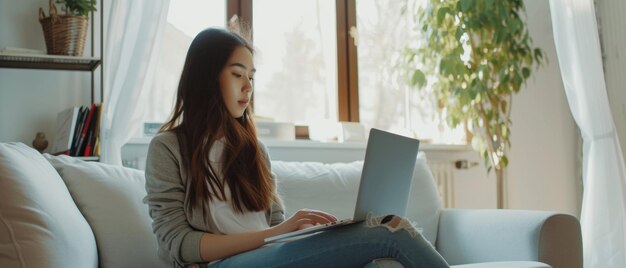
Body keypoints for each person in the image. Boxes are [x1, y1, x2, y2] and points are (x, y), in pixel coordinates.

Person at [143, 27, 449, 268]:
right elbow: (179, 243)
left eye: (251, 77)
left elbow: (277, 228)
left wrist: (297, 232)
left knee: (380, 264)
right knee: (390, 229)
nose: (248, 87)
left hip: (269, 256)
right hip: (220, 264)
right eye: (237, 74)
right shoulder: (168, 149)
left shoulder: (254, 150)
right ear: (206, 78)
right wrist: (275, 234)